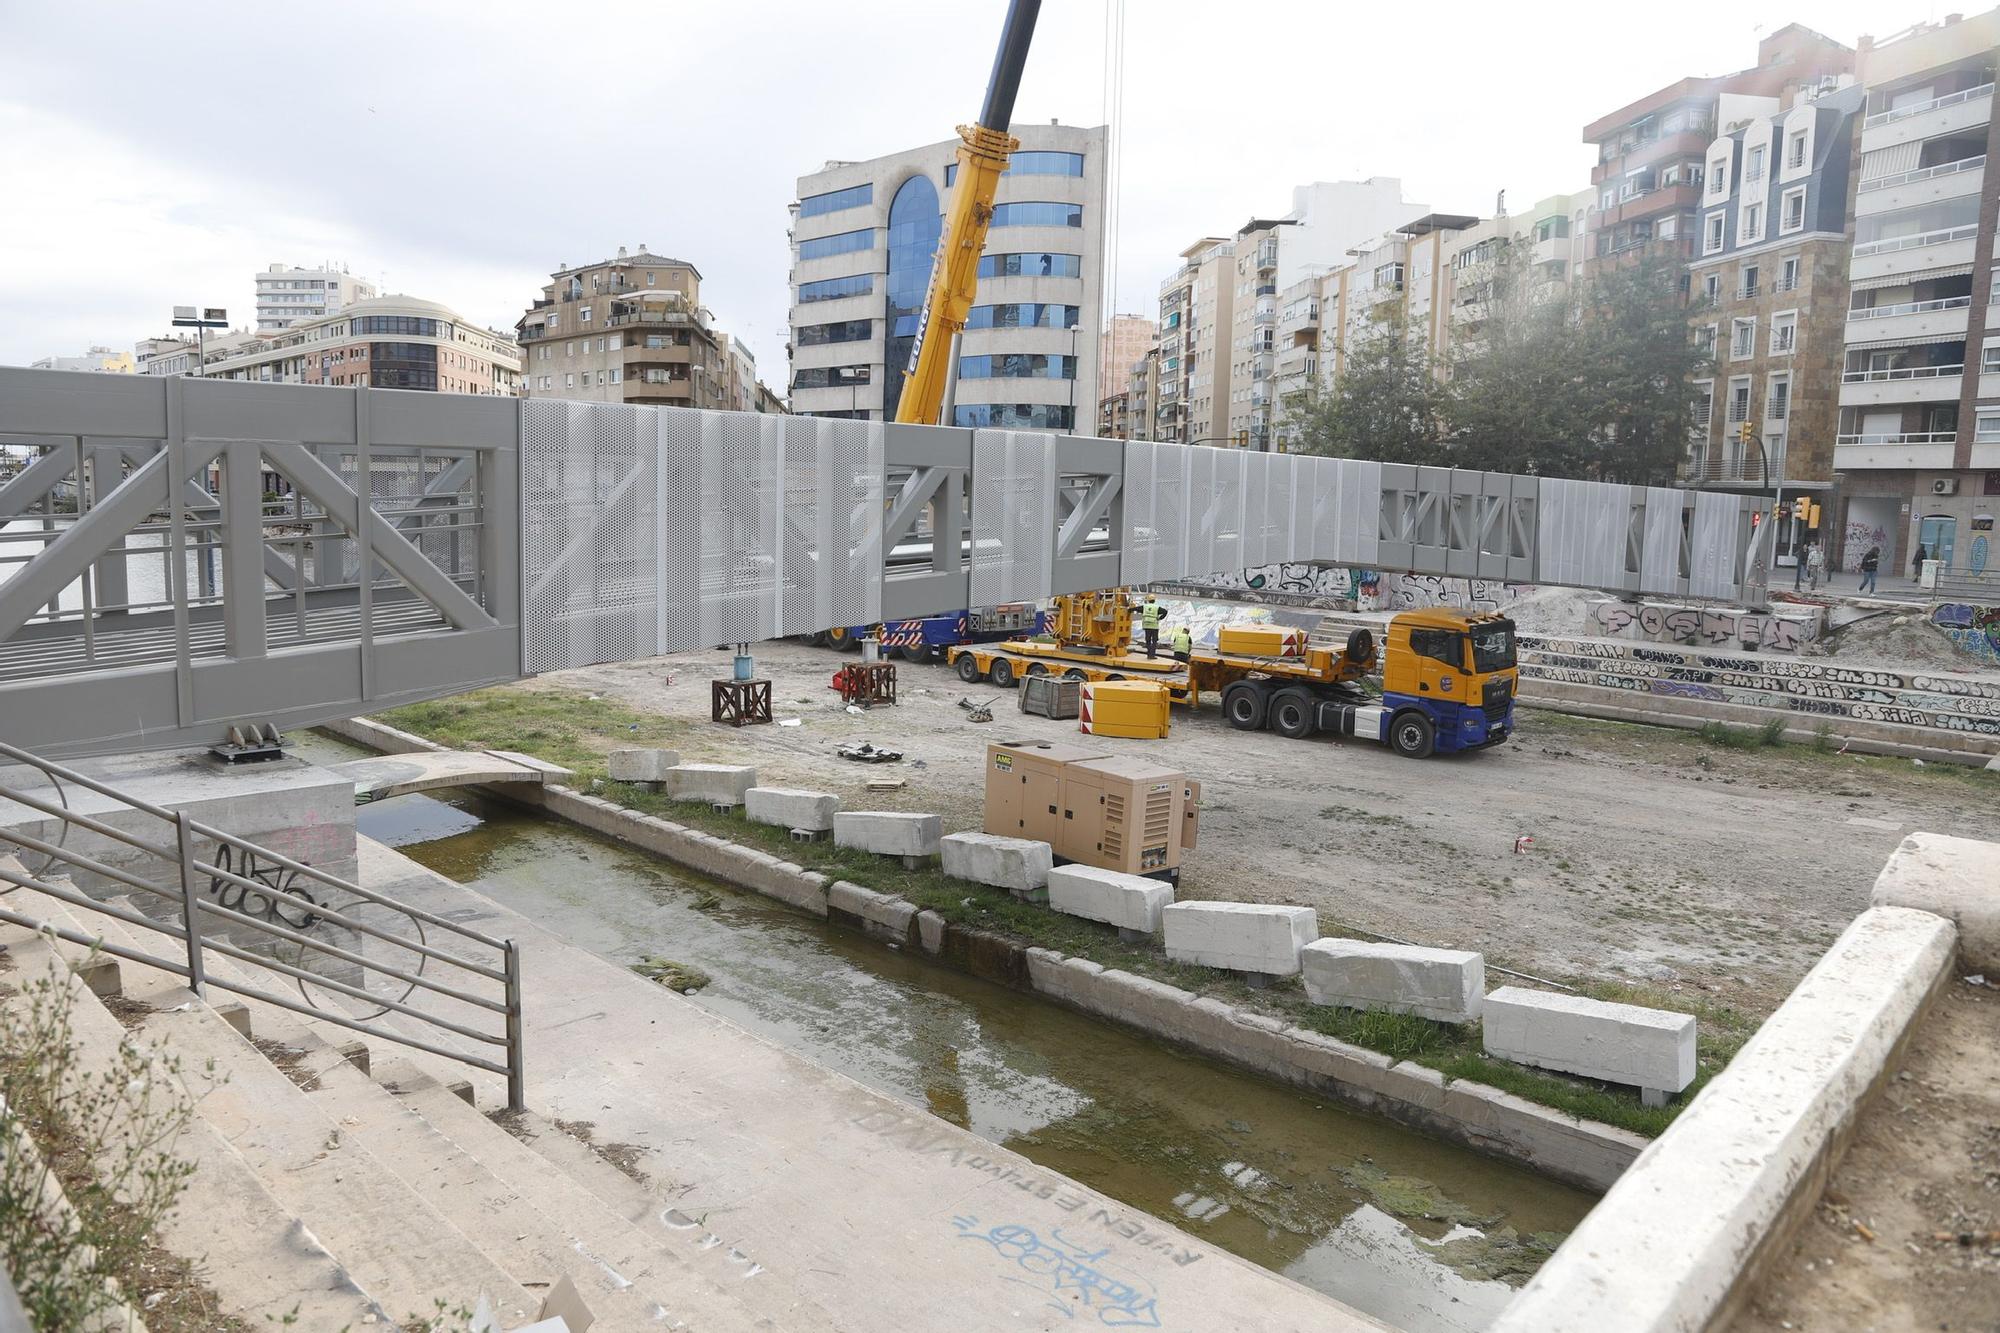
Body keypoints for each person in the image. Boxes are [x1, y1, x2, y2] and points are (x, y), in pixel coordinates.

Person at [1139, 594, 1164, 659]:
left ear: (1148, 600)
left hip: (1147, 626)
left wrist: (1129, 610)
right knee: (1154, 641)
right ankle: (1152, 655)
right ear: (1154, 600)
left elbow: (1136, 609)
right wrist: (1160, 618)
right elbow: (1165, 612)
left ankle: (1149, 654)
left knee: (1148, 641)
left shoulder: (1145, 606)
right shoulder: (1157, 607)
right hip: (1154, 627)